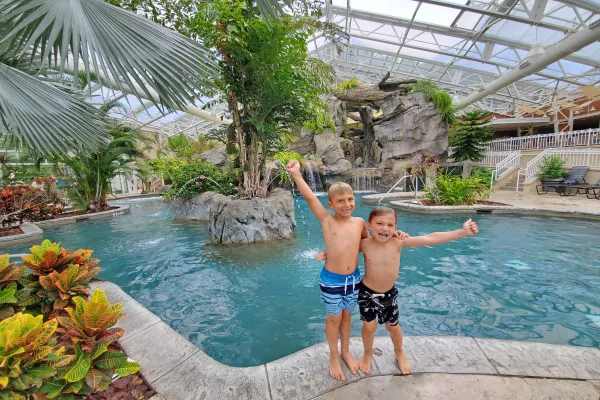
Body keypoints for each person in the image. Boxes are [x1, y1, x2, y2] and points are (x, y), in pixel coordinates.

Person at [285, 160, 408, 381]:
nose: (346, 204)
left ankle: (346, 351)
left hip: (353, 281)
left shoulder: (360, 222)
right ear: (330, 204)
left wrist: (396, 235)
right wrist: (296, 174)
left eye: (350, 199)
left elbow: (367, 245)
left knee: (347, 318)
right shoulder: (326, 220)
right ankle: (333, 355)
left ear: (355, 200)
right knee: (333, 319)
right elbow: (311, 197)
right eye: (340, 201)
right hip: (331, 280)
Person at [356, 207, 479, 375]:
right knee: (369, 328)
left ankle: (399, 352)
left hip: (389, 294)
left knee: (393, 327)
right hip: (366, 293)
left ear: (396, 227)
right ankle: (367, 353)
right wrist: (327, 253)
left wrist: (461, 232)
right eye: (379, 224)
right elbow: (345, 250)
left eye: (390, 225)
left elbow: (429, 238)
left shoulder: (398, 242)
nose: (385, 228)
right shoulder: (364, 244)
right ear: (369, 225)